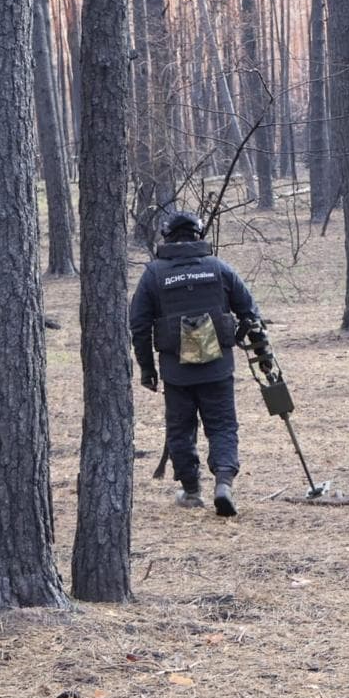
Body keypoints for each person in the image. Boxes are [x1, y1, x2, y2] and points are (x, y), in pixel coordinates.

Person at [129, 211, 267, 517]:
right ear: (198, 235)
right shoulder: (218, 268)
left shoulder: (153, 274)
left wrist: (147, 369)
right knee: (222, 425)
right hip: (217, 368)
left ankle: (191, 491)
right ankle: (224, 483)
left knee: (181, 428)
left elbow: (138, 325)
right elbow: (250, 312)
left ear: (166, 237)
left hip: (176, 372)